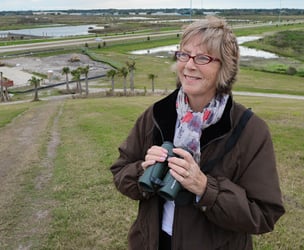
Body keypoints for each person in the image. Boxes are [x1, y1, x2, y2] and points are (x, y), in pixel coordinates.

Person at [110, 16, 285, 250]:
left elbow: (264, 215)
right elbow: (120, 171)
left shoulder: (250, 130)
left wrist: (205, 188)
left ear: (225, 67)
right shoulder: (157, 115)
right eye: (184, 54)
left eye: (203, 58)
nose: (189, 65)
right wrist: (142, 171)